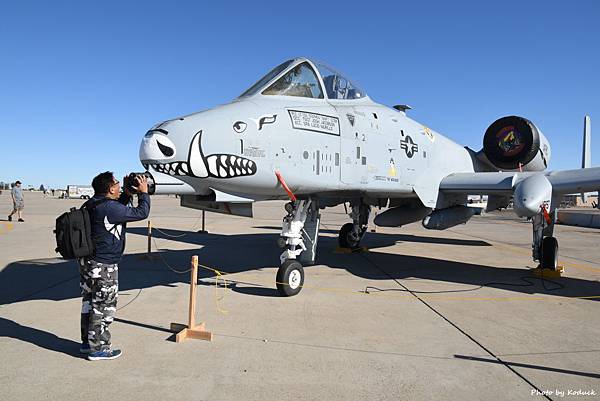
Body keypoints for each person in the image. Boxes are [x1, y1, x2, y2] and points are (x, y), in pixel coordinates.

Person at [79, 171, 150, 361]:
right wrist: (143, 193)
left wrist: (127, 192)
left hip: (89, 263)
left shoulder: (93, 203)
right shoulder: (109, 208)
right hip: (104, 265)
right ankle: (99, 348)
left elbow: (116, 209)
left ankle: (88, 343)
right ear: (110, 189)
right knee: (103, 306)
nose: (119, 185)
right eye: (117, 183)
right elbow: (141, 213)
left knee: (90, 303)